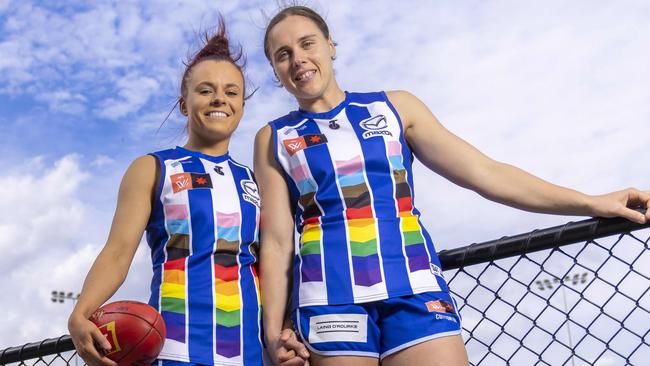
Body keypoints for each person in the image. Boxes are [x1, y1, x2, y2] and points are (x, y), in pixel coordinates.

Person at [253, 5, 650, 366]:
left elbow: (486, 173)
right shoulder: (273, 137)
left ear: (331, 45)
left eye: (307, 44)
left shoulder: (395, 107)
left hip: (415, 287)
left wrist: (592, 203)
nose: (298, 59)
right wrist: (274, 331)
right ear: (275, 69)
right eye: (282, 54)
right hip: (330, 300)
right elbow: (276, 241)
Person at [68, 17, 308, 366]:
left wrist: (284, 329)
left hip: (252, 355)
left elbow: (273, 265)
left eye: (231, 92)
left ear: (241, 106)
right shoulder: (152, 168)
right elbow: (118, 252)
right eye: (205, 90)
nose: (219, 99)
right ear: (184, 103)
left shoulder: (257, 181)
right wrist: (81, 312)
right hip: (176, 351)